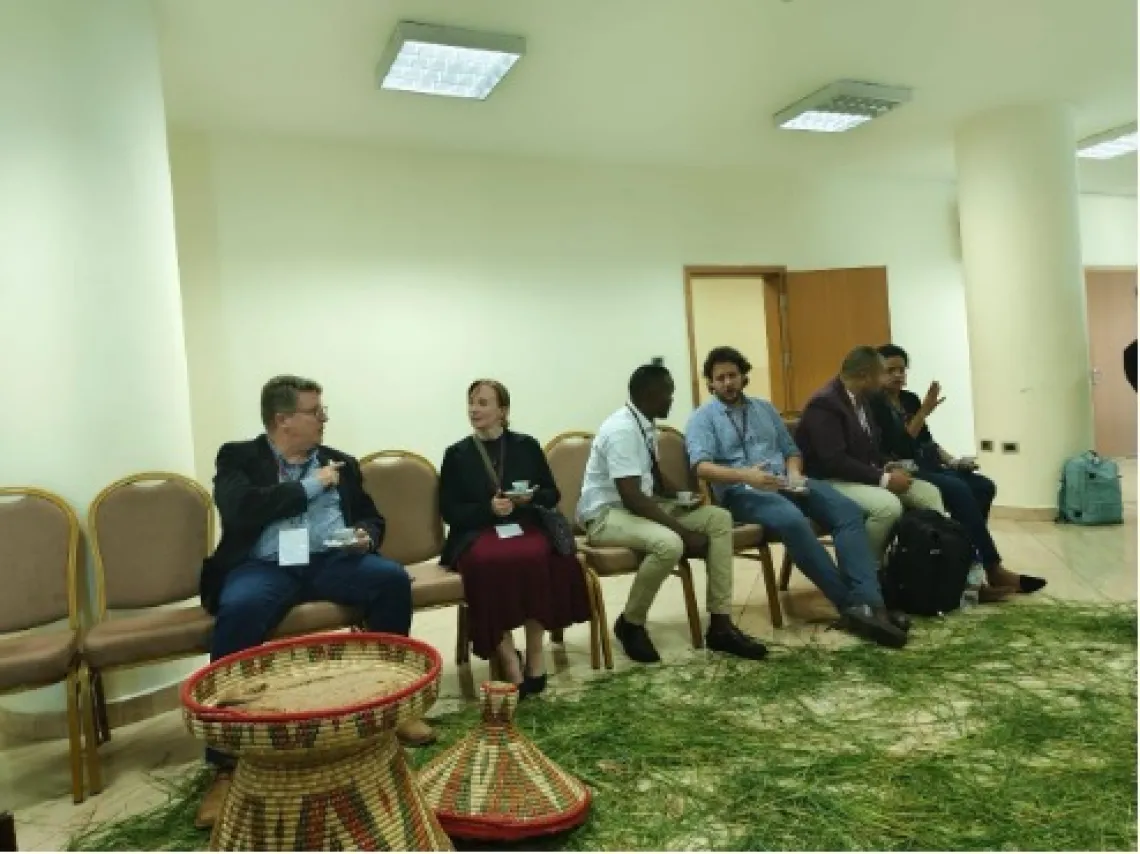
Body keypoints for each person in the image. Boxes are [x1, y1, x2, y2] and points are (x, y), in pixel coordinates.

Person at [195, 375, 432, 829]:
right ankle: (226, 764)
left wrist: (368, 536)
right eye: (314, 410)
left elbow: (369, 515)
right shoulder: (238, 457)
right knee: (240, 609)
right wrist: (310, 487)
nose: (324, 418)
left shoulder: (339, 461)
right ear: (283, 420)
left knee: (390, 580)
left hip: (330, 559)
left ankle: (390, 707)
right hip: (265, 566)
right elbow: (242, 509)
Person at [685, 347, 907, 647]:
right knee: (793, 520)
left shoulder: (765, 409)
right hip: (743, 492)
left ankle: (872, 604)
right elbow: (701, 466)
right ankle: (851, 606)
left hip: (787, 482)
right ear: (710, 383)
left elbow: (791, 450)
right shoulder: (702, 418)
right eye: (720, 378)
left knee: (847, 510)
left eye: (733, 375)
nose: (727, 383)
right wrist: (747, 476)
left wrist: (794, 473)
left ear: (743, 377)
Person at [577, 364, 769, 664]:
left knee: (718, 519)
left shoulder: (645, 423)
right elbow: (631, 495)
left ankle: (720, 624)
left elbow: (647, 483)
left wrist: (679, 498)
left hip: (636, 506)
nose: (671, 400)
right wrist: (683, 531)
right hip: (606, 515)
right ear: (649, 395)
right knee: (670, 543)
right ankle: (631, 623)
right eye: (668, 394)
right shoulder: (622, 430)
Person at [439, 379, 592, 696]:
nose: (474, 409)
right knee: (486, 562)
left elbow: (552, 493)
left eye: (483, 403)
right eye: (471, 402)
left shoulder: (526, 445)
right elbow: (450, 511)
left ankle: (535, 654)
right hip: (478, 531)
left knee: (537, 556)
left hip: (525, 526)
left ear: (503, 411)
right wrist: (487, 509)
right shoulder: (456, 454)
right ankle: (508, 657)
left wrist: (530, 498)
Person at [870, 344, 1047, 595]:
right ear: (877, 372)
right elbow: (901, 445)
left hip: (927, 462)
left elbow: (927, 441)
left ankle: (966, 560)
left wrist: (953, 462)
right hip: (903, 470)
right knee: (959, 489)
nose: (898, 375)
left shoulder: (908, 399)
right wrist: (924, 412)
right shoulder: (874, 404)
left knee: (983, 486)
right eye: (891, 370)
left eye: (902, 369)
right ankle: (990, 568)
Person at [795, 346, 946, 561]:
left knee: (929, 492)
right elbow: (834, 461)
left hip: (859, 475)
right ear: (865, 376)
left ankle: (935, 563)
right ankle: (867, 571)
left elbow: (869, 449)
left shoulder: (862, 399)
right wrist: (884, 479)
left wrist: (887, 465)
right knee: (887, 507)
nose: (888, 379)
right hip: (827, 480)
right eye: (883, 373)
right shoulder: (825, 404)